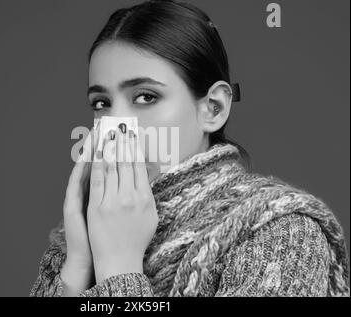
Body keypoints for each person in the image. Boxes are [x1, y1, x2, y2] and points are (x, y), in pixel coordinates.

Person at [30, 0, 349, 297]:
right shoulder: (83, 233)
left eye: (145, 97)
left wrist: (117, 267)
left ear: (213, 108)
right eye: (102, 103)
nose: (116, 126)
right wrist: (77, 266)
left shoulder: (282, 232)